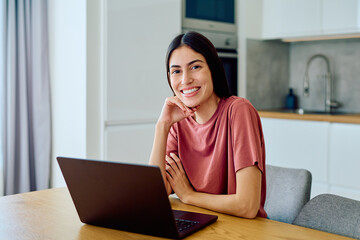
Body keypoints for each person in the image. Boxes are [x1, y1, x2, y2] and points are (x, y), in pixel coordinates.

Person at [149, 31, 267, 218]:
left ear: (213, 69)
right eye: (176, 71)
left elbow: (247, 206)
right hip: (201, 224)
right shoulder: (177, 124)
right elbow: (154, 194)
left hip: (243, 231)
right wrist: (162, 126)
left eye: (195, 67)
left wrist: (189, 195)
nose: (185, 80)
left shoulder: (238, 111)